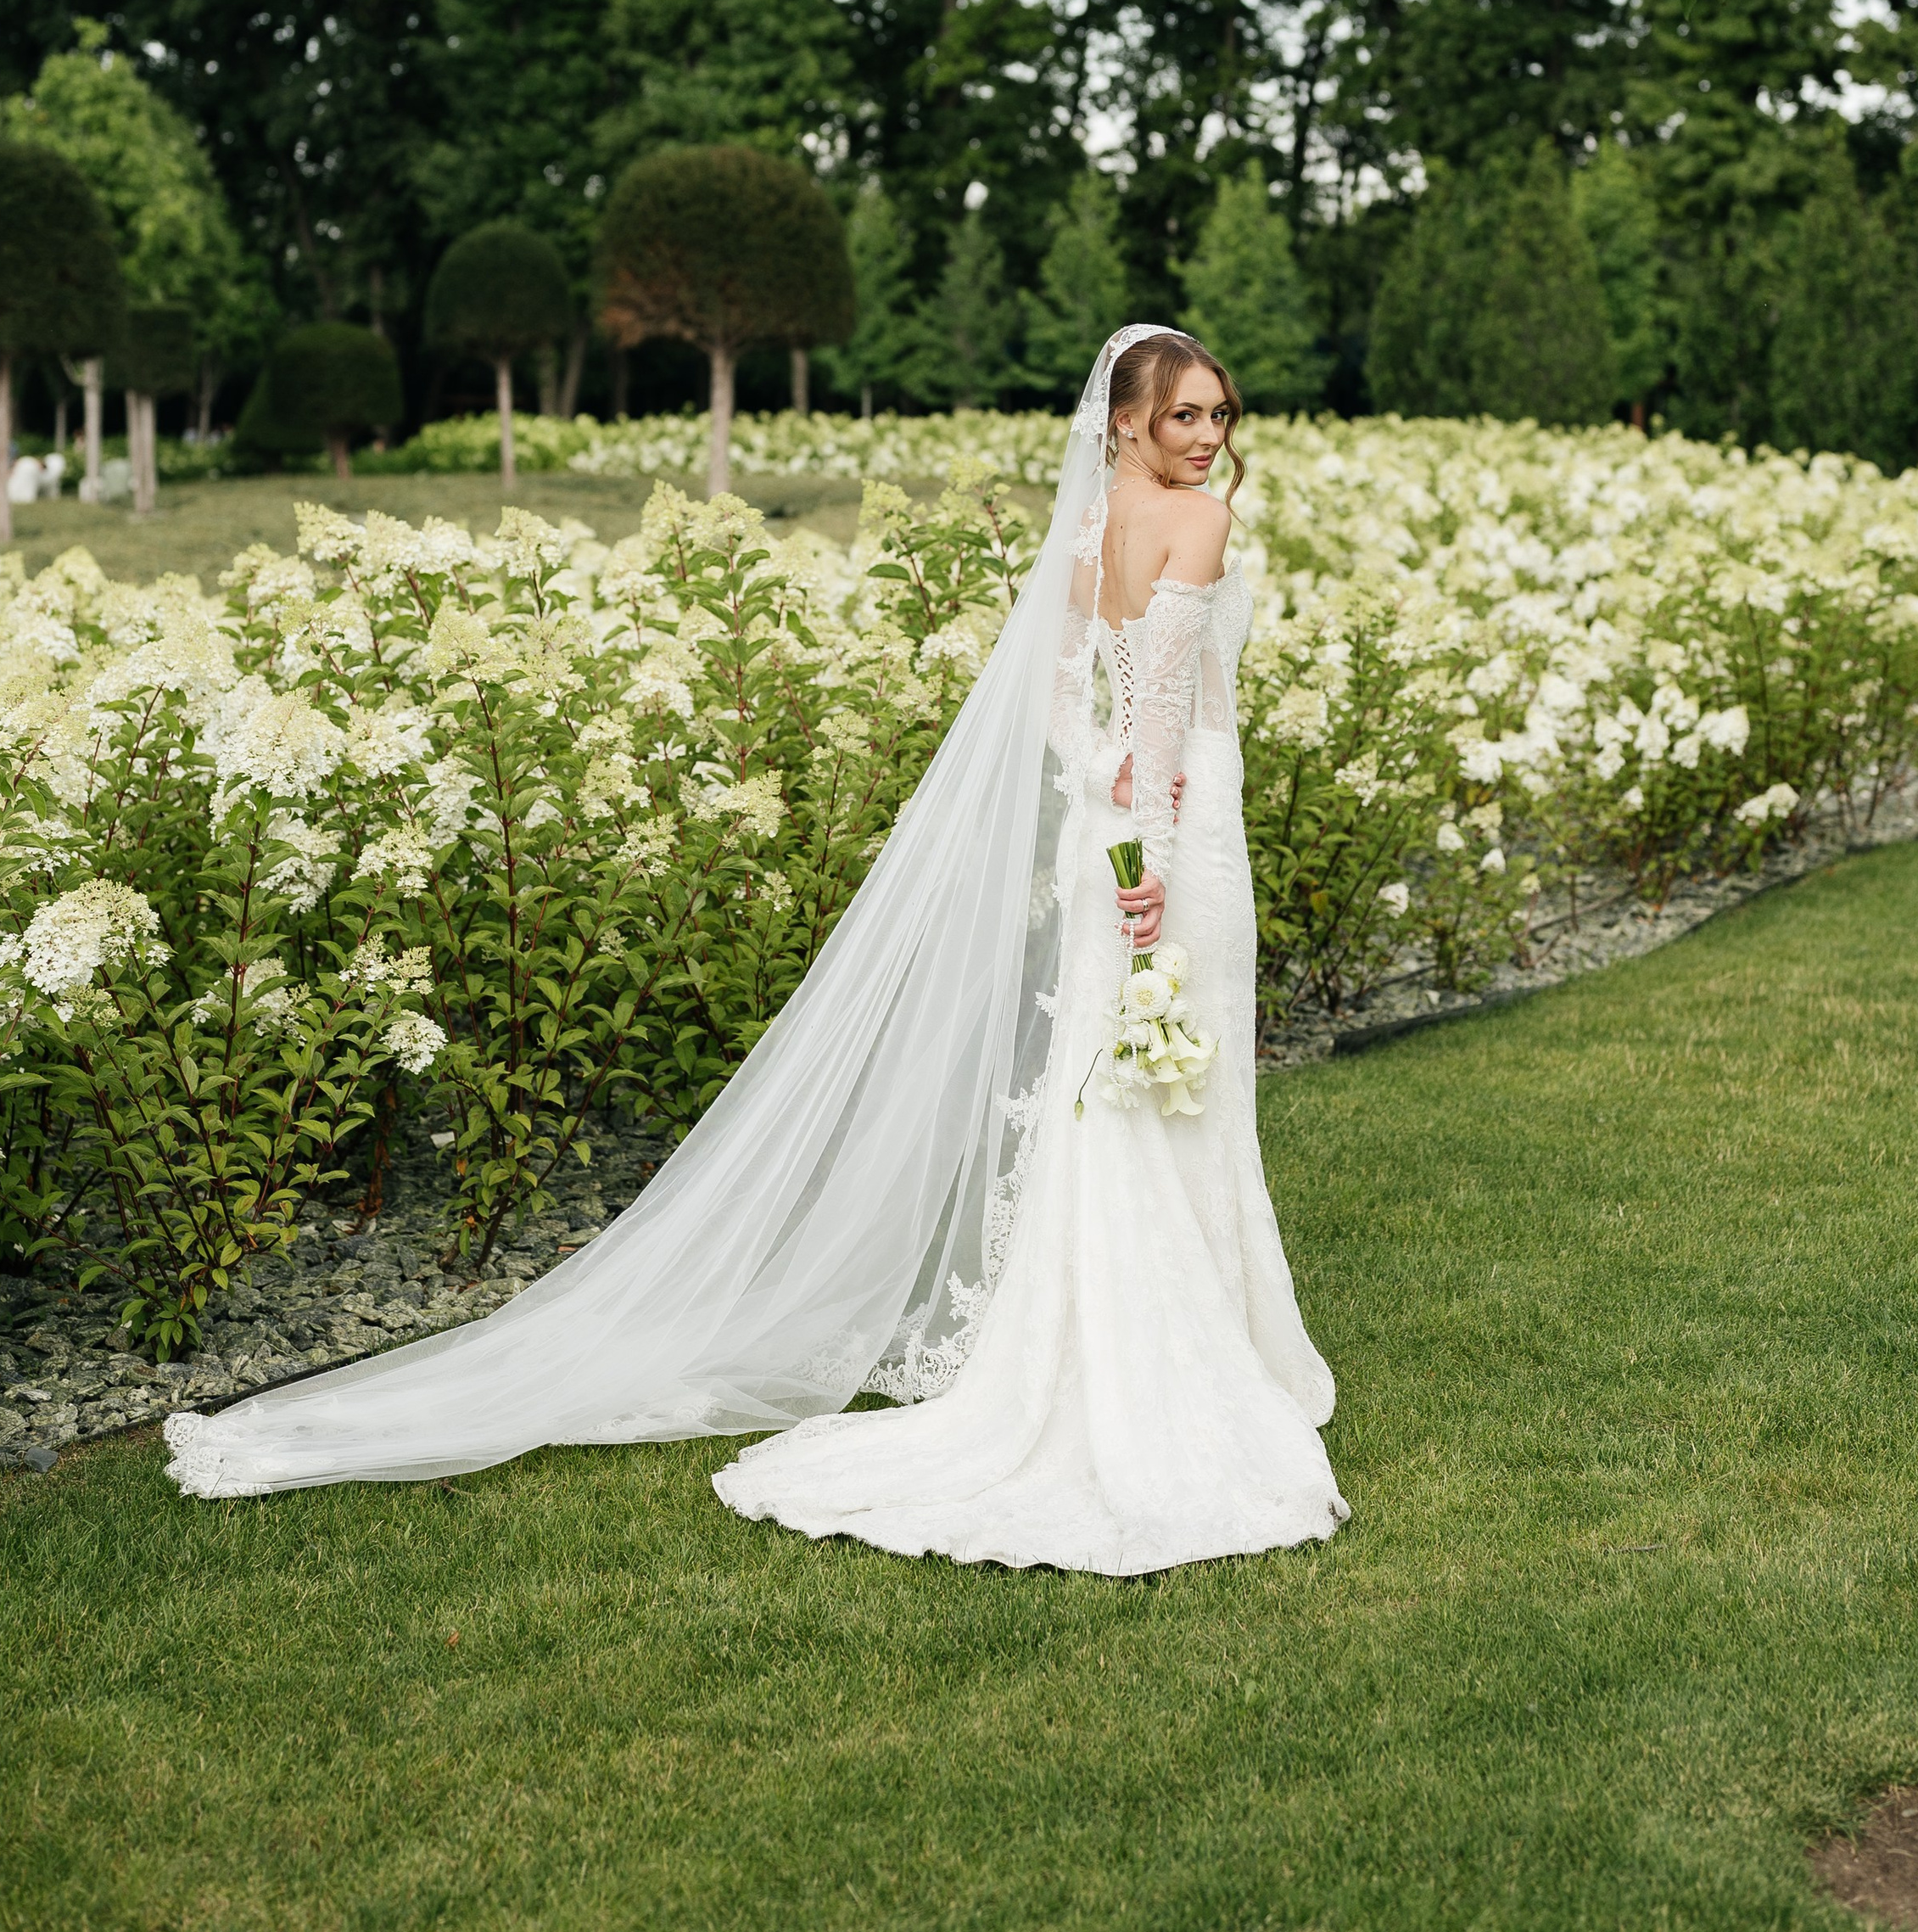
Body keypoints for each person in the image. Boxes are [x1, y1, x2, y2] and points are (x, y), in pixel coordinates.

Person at [165, 328, 1346, 1575]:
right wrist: (1149, 855)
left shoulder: (1079, 535)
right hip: (1174, 837)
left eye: (1219, 416)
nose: (1208, 439)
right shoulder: (1198, 525)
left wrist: (1102, 809)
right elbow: (1158, 713)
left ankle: (1098, 1347)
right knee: (1172, 1081)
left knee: (1109, 1087)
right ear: (1125, 425)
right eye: (1184, 420)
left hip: (1112, 828)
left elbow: (1063, 701)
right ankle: (1189, 1359)